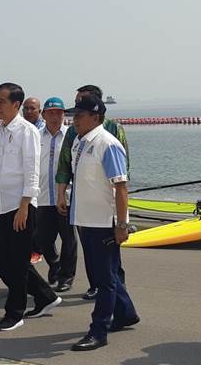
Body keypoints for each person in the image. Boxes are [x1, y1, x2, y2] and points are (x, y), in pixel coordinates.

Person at [0, 83, 61, 331]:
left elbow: (32, 171)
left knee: (16, 261)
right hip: (1, 204)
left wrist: (25, 206)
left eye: (2, 101)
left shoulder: (28, 131)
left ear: (16, 105)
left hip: (21, 205)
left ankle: (14, 312)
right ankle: (46, 295)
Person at [67, 93, 139, 351]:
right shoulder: (80, 142)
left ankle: (98, 331)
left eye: (79, 115)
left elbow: (121, 186)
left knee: (104, 279)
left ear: (95, 117)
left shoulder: (107, 144)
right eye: (73, 115)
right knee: (104, 274)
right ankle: (125, 313)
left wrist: (122, 225)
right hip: (85, 220)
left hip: (103, 223)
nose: (74, 120)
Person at [56, 84, 130, 300]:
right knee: (97, 264)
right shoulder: (75, 137)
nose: (75, 117)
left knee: (109, 270)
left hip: (104, 214)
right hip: (84, 212)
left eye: (80, 110)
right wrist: (62, 193)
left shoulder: (111, 134)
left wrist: (122, 221)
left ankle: (103, 323)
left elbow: (121, 180)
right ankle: (123, 309)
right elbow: (65, 165)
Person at [35, 97, 77, 292]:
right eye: (50, 112)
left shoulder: (72, 135)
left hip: (65, 197)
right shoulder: (35, 136)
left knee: (68, 239)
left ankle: (66, 277)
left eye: (58, 113)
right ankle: (55, 264)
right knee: (42, 238)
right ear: (43, 114)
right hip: (41, 196)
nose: (54, 116)